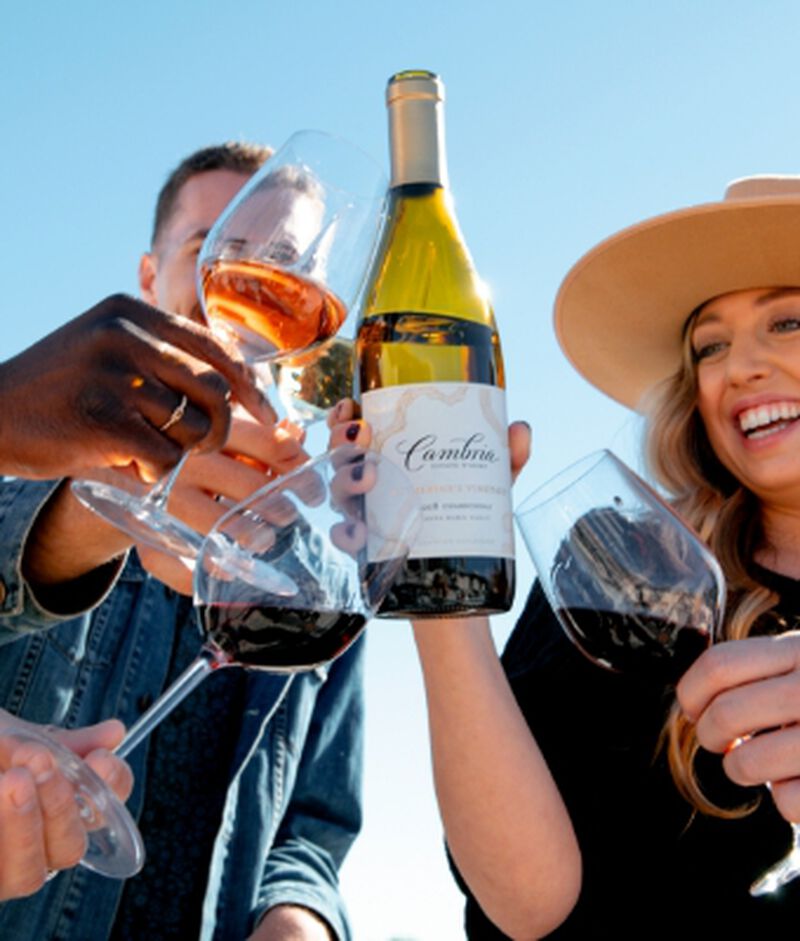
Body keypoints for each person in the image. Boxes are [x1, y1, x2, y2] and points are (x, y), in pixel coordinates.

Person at [405, 175, 800, 938]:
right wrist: (436, 567)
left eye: (787, 322)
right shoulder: (627, 559)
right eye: (709, 345)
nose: (738, 366)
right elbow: (527, 907)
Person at [0, 143, 363, 940]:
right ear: (149, 274)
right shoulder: (29, 468)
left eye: (284, 261)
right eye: (216, 250)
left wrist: (299, 915)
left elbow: (315, 823)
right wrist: (85, 519)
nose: (258, 283)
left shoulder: (326, 573)